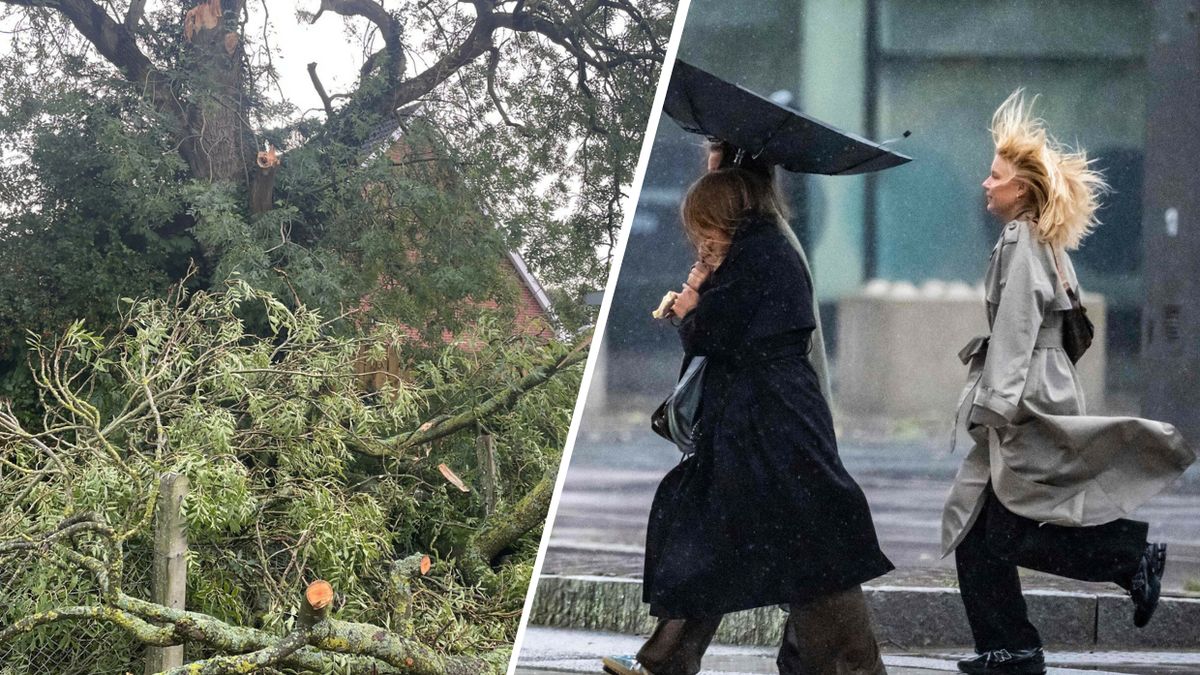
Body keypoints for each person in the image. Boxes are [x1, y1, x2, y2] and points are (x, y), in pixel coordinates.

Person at [602, 165, 894, 675]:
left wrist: (693, 308)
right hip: (759, 419)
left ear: (722, 215)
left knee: (811, 544)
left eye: (701, 228)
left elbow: (721, 337)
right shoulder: (756, 250)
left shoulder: (762, 252)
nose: (698, 241)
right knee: (713, 531)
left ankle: (851, 667)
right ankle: (667, 659)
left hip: (771, 421)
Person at [943, 90, 1196, 675]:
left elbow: (1017, 324)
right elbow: (1072, 328)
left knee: (1002, 533)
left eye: (995, 176)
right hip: (1039, 386)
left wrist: (996, 406)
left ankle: (1127, 558)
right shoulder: (1046, 242)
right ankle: (1011, 650)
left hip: (1022, 398)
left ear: (1022, 190)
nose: (985, 184)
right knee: (980, 534)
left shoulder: (1020, 240)